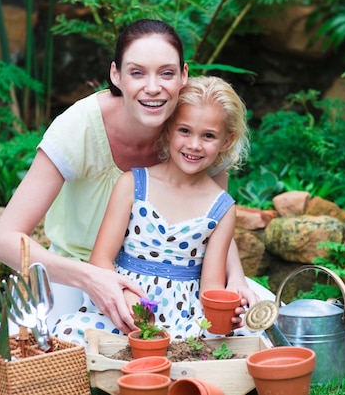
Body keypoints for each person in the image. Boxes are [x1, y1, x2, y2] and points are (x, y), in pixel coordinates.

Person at [0, 19, 271, 336]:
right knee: (39, 345)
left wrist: (234, 280)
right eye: (137, 72)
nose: (153, 87)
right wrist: (93, 277)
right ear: (116, 75)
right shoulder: (78, 127)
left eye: (166, 73)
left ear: (183, 75)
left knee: (260, 325)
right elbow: (3, 241)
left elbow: (211, 220)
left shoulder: (197, 129)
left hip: (181, 285)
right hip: (74, 269)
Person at [53, 75, 258, 344]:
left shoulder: (222, 207)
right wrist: (127, 301)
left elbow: (211, 285)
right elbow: (100, 260)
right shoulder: (133, 184)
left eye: (208, 136)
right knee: (66, 330)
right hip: (123, 310)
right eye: (184, 131)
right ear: (168, 129)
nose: (194, 145)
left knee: (239, 336)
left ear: (227, 141)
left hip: (184, 320)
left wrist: (222, 312)